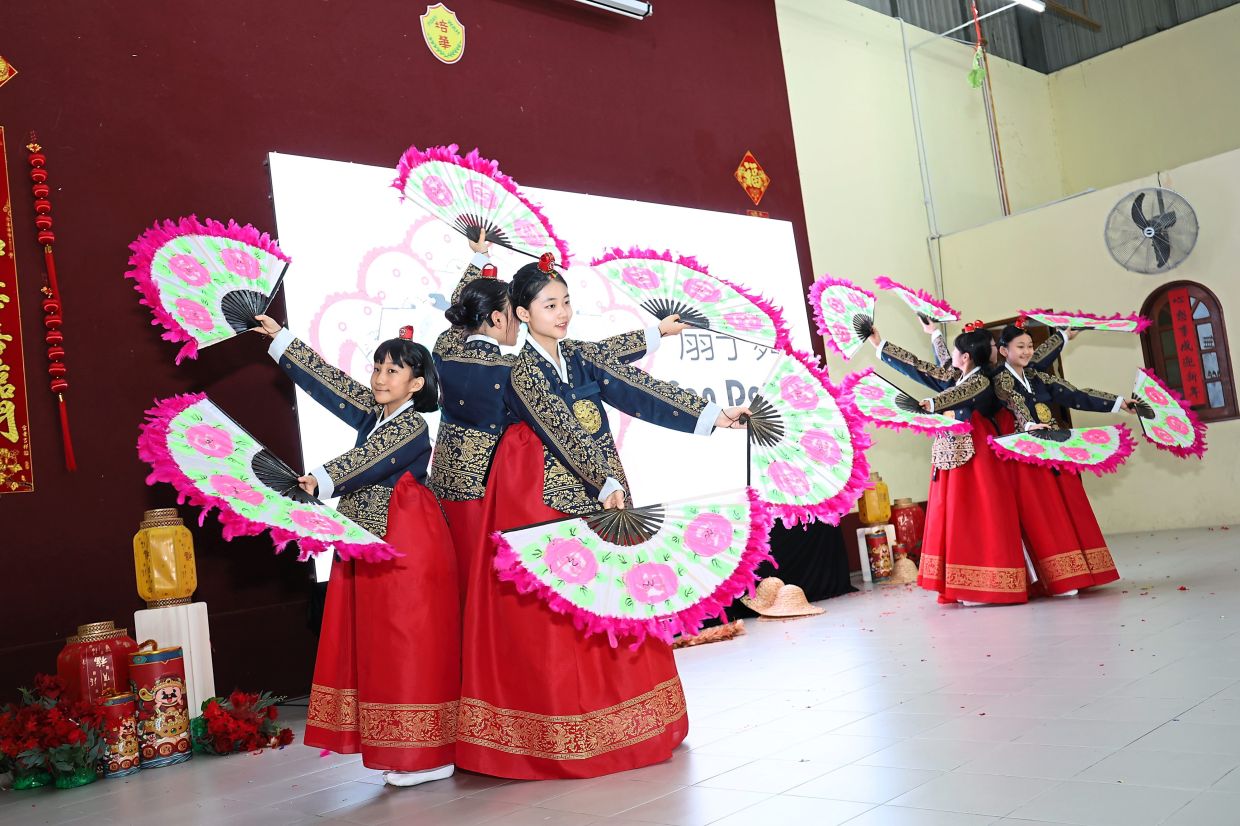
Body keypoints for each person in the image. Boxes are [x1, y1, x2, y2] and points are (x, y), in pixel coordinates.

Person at [454, 254, 748, 780]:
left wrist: (710, 414)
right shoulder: (519, 369)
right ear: (522, 313)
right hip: (541, 495)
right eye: (550, 305)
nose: (563, 312)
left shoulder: (581, 355)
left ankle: (641, 720)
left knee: (617, 599)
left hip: (602, 488)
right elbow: (558, 428)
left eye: (566, 302)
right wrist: (604, 480)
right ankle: (562, 731)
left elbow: (640, 389)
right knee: (559, 610)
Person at [254, 314, 459, 788]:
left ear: (417, 383)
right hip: (373, 541)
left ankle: (430, 754)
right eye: (378, 368)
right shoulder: (375, 415)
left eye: (393, 371)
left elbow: (368, 459)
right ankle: (401, 749)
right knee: (381, 647)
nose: (380, 377)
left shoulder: (411, 428)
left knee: (408, 644)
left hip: (407, 545)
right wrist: (282, 340)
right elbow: (330, 383)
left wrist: (320, 480)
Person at [430, 232, 683, 593]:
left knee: (459, 578)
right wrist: (652, 335)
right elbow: (590, 358)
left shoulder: (445, 349)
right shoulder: (512, 370)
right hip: (489, 490)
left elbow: (463, 312)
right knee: (490, 582)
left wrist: (478, 259)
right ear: (500, 319)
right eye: (514, 316)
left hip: (444, 483)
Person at [870, 325, 1028, 604]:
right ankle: (963, 582)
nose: (950, 356)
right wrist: (884, 344)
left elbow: (958, 395)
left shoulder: (981, 380)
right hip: (956, 457)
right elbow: (922, 367)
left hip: (978, 459)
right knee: (957, 516)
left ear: (965, 356)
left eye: (955, 351)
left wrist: (931, 404)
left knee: (977, 515)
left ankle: (986, 584)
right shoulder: (959, 374)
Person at [991, 320, 1137, 595]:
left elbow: (1074, 394)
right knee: (1045, 515)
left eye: (1030, 346)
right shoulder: (1001, 379)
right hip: (1027, 456)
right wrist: (1027, 426)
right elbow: (1014, 402)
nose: (1026, 351)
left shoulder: (1037, 376)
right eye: (1020, 346)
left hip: (1055, 449)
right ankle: (1058, 579)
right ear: (1003, 351)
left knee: (1070, 507)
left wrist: (1118, 403)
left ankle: (1080, 572)